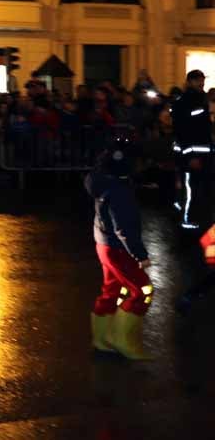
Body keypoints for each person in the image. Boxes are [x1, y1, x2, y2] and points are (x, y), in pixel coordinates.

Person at [86, 138, 153, 360]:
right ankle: (123, 340)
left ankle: (102, 339)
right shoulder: (118, 190)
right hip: (117, 249)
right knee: (143, 290)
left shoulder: (104, 181)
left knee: (112, 291)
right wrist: (140, 255)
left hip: (104, 245)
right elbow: (124, 227)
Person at [170, 69, 211, 229]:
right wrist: (191, 156)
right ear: (190, 82)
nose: (201, 83)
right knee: (190, 188)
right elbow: (183, 131)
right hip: (191, 154)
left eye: (202, 80)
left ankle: (197, 216)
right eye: (198, 80)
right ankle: (186, 219)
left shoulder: (201, 99)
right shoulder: (184, 101)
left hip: (203, 153)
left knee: (198, 188)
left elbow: (203, 129)